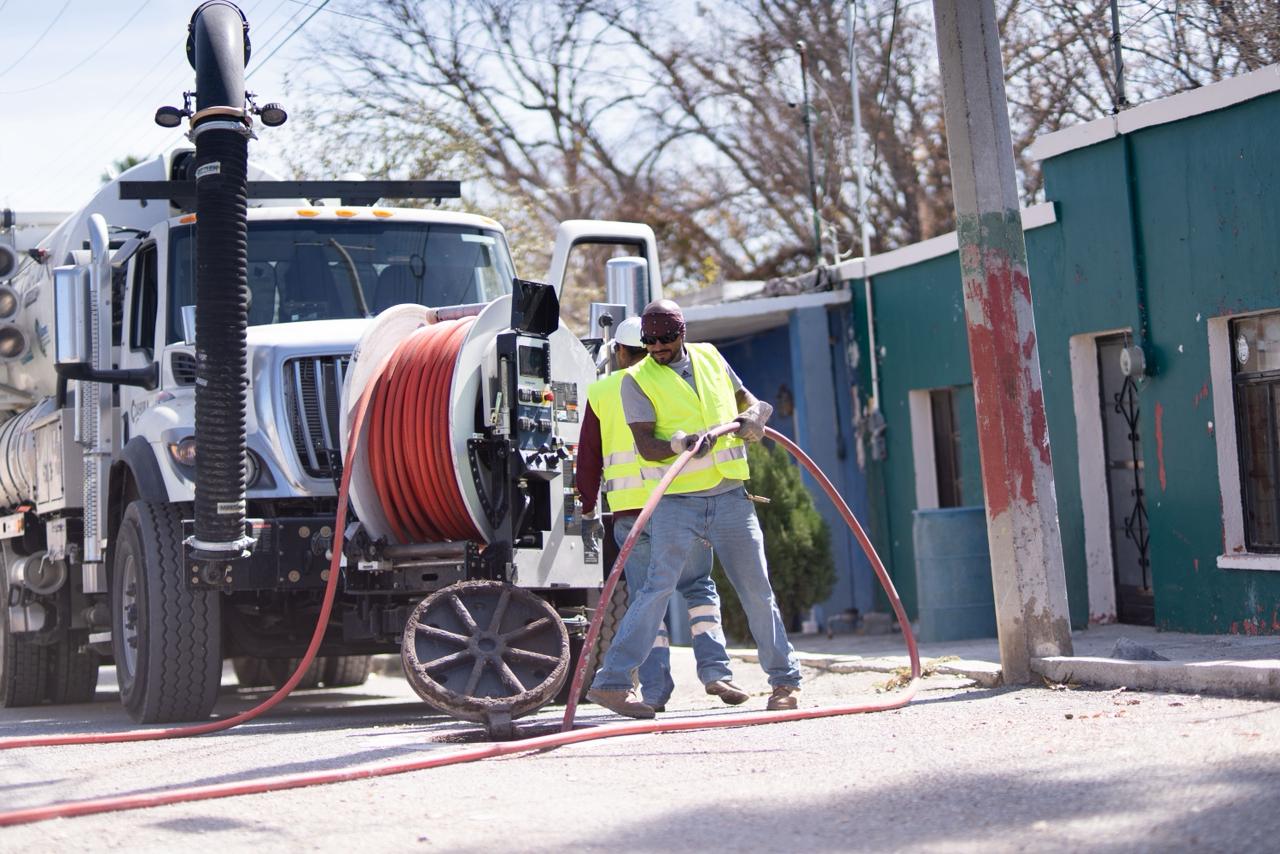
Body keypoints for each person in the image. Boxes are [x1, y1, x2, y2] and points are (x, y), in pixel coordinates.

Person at [587, 299, 801, 718]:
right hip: (676, 502)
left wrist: (755, 415)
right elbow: (646, 446)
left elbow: (746, 400)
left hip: (731, 497)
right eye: (650, 341)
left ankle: (784, 682)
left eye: (666, 339)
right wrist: (679, 444)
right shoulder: (636, 381)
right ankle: (611, 683)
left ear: (682, 332)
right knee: (654, 592)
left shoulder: (710, 357)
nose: (658, 348)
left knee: (756, 590)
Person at [576, 316, 748, 711]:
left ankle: (655, 691)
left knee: (646, 600)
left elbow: (588, 461)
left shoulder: (602, 391)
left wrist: (585, 509)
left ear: (620, 352)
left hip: (630, 516)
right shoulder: (677, 382)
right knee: (698, 587)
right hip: (683, 503)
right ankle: (716, 671)